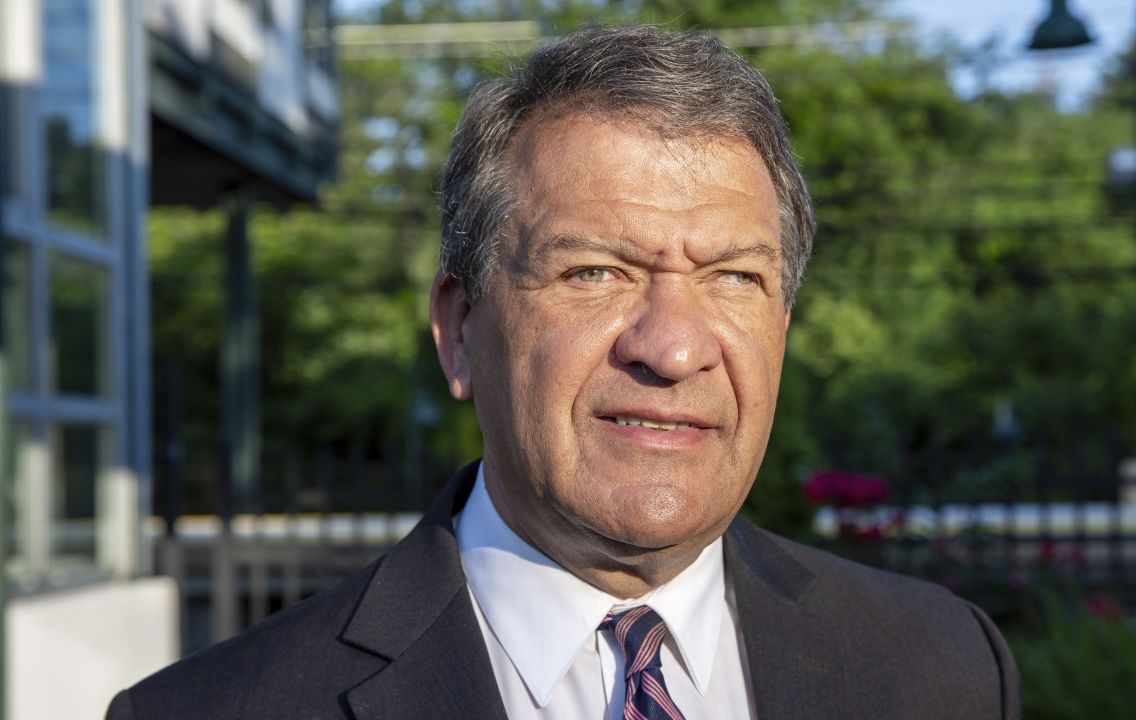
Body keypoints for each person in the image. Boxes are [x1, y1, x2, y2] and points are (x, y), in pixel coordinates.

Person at [107, 26, 1020, 720]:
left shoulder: (944, 669)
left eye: (733, 279)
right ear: (460, 329)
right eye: (595, 273)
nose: (671, 347)